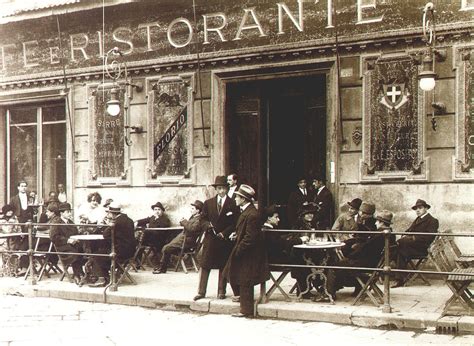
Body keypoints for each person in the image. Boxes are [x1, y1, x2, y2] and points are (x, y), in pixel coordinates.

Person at [223, 184, 269, 318]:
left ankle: (246, 309)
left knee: (245, 280)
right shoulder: (247, 211)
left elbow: (250, 237)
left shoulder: (252, 214)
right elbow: (245, 232)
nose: (235, 199)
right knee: (232, 274)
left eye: (237, 197)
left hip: (250, 254)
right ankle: (242, 302)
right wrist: (236, 235)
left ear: (243, 199)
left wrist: (239, 249)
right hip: (246, 251)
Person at [327, 210, 395, 299]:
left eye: (377, 221)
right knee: (344, 262)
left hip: (368, 264)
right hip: (375, 264)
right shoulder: (389, 234)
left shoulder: (380, 235)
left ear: (381, 223)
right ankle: (358, 288)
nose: (376, 223)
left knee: (333, 267)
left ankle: (329, 294)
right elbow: (367, 248)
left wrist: (351, 255)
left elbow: (366, 250)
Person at [194, 175, 239, 301]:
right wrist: (207, 225)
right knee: (205, 265)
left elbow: (235, 223)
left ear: (227, 188)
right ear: (216, 189)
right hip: (210, 239)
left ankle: (221, 291)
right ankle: (201, 292)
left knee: (222, 266)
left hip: (223, 240)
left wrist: (224, 233)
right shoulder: (208, 203)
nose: (222, 191)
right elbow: (202, 219)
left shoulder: (233, 203)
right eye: (219, 188)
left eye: (224, 188)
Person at [391, 199, 439, 288]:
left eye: (420, 208)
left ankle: (399, 279)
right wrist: (404, 235)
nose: (417, 210)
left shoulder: (432, 221)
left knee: (399, 251)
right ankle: (400, 276)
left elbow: (429, 237)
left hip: (421, 249)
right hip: (411, 247)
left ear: (426, 208)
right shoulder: (418, 219)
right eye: (416, 209)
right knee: (395, 250)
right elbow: (409, 230)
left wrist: (413, 238)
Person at [89, 203, 137, 287]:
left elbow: (105, 235)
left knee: (97, 255)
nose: (108, 215)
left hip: (121, 252)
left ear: (113, 213)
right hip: (130, 250)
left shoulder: (117, 222)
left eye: (109, 213)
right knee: (102, 251)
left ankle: (104, 279)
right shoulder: (129, 220)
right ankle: (97, 275)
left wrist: (109, 225)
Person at [153, 200, 205, 274]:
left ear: (198, 210)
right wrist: (183, 222)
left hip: (187, 241)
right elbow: (189, 226)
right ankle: (162, 267)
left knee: (166, 248)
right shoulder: (194, 217)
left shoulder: (199, 219)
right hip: (184, 239)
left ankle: (162, 268)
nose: (191, 210)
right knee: (167, 246)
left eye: (193, 208)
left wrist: (184, 222)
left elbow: (192, 229)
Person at [49, 203, 86, 286]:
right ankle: (78, 274)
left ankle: (84, 273)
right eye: (68, 212)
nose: (70, 214)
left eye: (70, 212)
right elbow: (53, 237)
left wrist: (80, 234)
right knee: (76, 253)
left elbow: (75, 233)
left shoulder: (70, 222)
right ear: (62, 213)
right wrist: (67, 240)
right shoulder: (56, 222)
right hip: (62, 247)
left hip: (73, 245)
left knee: (85, 250)